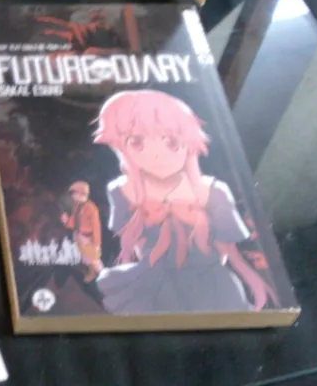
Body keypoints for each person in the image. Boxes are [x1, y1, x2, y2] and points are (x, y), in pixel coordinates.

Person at [92, 90, 276, 314]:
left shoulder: (213, 191)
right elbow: (135, 245)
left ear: (189, 142)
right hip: (153, 281)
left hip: (210, 283)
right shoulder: (121, 190)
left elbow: (227, 251)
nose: (156, 154)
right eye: (137, 143)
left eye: (171, 142)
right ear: (121, 147)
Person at [60, 181, 103, 281]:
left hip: (87, 238)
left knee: (94, 261)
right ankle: (92, 273)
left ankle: (104, 277)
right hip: (78, 236)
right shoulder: (77, 206)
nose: (72, 196)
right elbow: (73, 222)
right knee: (86, 259)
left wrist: (96, 244)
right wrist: (66, 221)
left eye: (74, 193)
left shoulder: (91, 208)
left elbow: (96, 227)